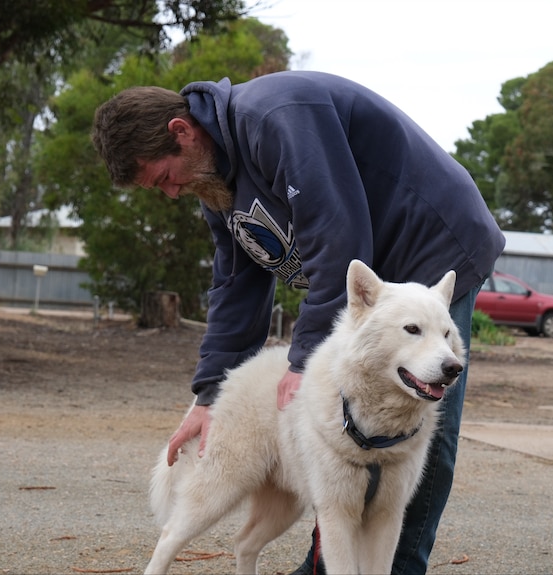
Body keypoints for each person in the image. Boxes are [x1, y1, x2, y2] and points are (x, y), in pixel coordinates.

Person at [91, 71, 505, 574]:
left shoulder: (276, 115)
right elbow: (236, 290)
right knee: (333, 433)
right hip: (364, 268)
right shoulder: (218, 187)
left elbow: (338, 234)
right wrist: (207, 397)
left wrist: (304, 359)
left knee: (418, 427)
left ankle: (397, 568)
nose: (172, 193)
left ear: (182, 131)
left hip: (431, 245)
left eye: (163, 178)